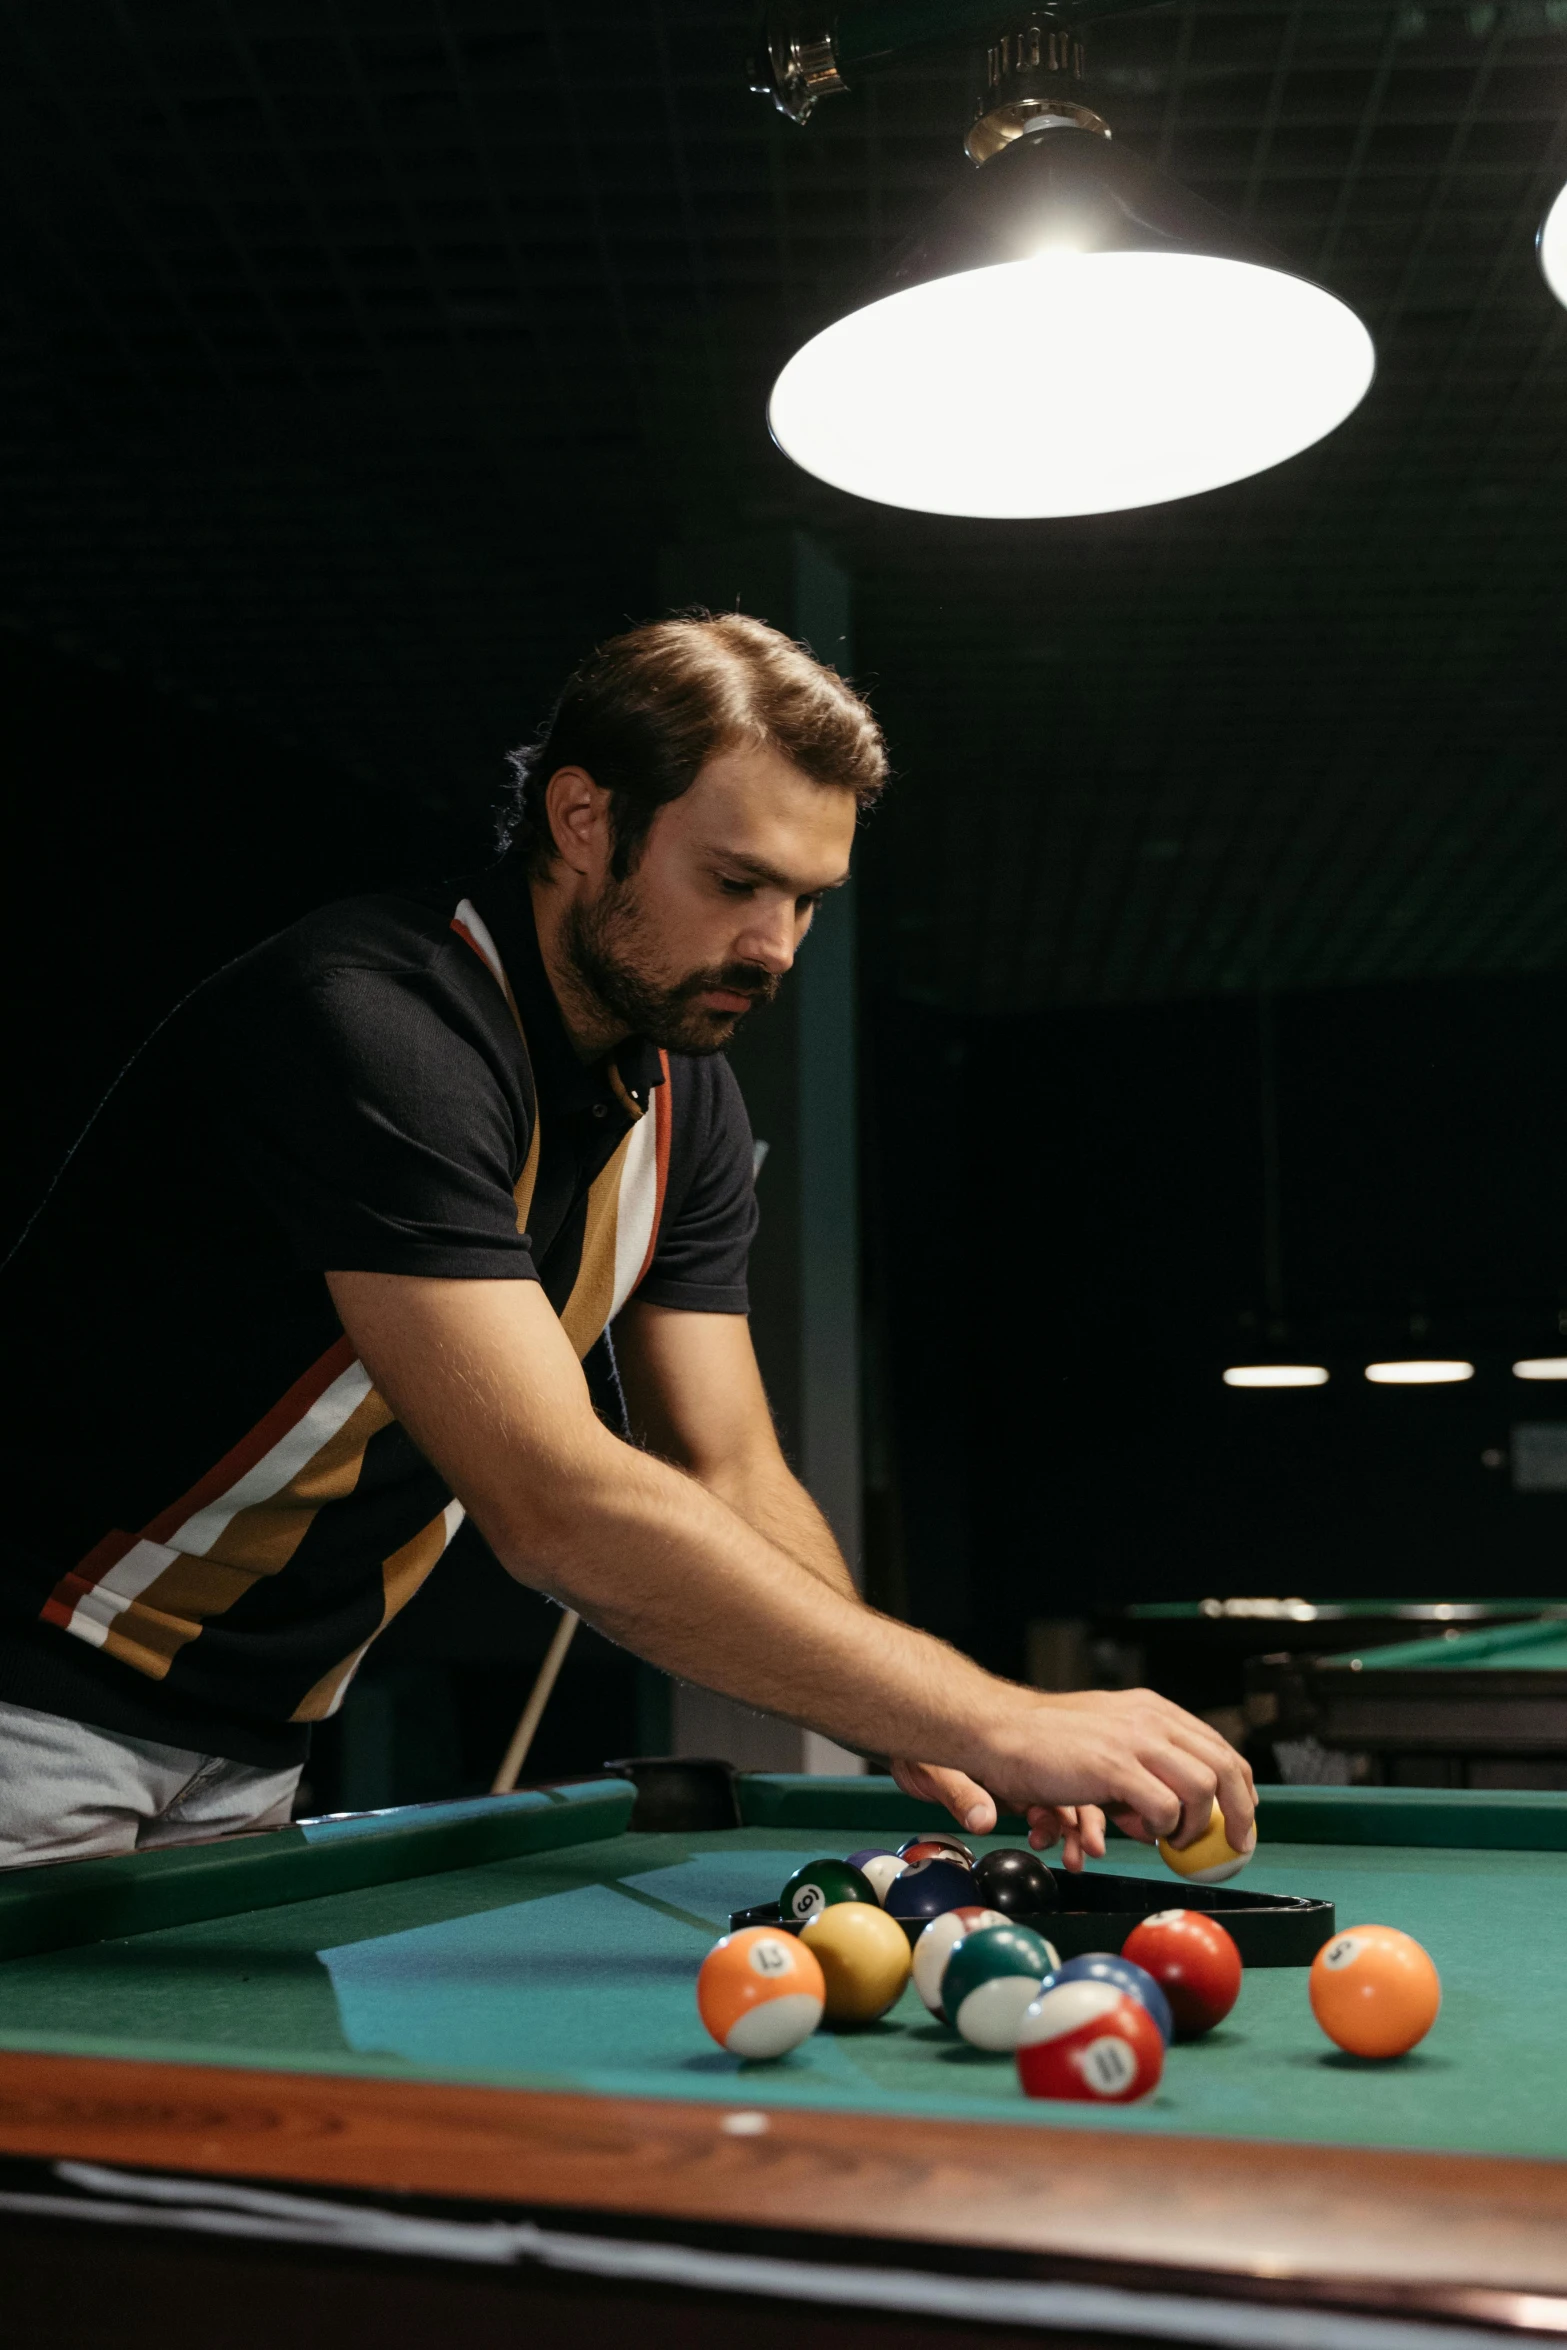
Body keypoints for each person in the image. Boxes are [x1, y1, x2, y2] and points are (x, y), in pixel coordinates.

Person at [0, 613, 1253, 1868]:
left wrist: (910, 1714)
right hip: (29, 1694)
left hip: (253, 1738)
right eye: (734, 883)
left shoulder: (686, 1098)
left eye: (808, 901)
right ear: (583, 819)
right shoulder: (377, 1030)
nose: (774, 949)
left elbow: (731, 1472)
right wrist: (998, 1712)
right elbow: (554, 1504)